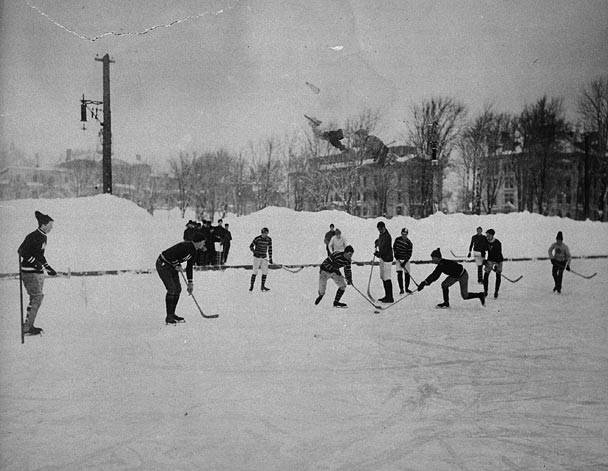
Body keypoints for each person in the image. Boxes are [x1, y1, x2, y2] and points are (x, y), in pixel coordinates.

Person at [18, 211, 57, 335]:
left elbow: (39, 255)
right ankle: (27, 328)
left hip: (36, 272)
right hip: (30, 272)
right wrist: (35, 263)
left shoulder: (43, 236)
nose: (52, 228)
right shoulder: (33, 236)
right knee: (37, 297)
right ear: (43, 225)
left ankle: (28, 325)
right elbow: (21, 251)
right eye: (50, 225)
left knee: (36, 298)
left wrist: (47, 267)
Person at [156, 230, 206, 324]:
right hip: (163, 264)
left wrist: (190, 282)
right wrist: (176, 264)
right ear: (199, 241)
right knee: (172, 289)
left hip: (171, 266)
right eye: (203, 242)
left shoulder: (194, 252)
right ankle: (169, 317)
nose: (204, 244)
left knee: (178, 289)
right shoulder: (185, 246)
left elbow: (189, 267)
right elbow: (171, 255)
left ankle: (172, 314)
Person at [417, 248, 486, 308]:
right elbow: (434, 275)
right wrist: (425, 283)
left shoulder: (442, 264)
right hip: (455, 276)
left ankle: (480, 295)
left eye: (433, 258)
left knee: (465, 296)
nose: (432, 260)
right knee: (444, 285)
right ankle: (446, 303)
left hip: (463, 275)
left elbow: (435, 275)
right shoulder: (441, 264)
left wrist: (424, 283)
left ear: (438, 258)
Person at [374, 221, 394, 303]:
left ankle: (390, 297)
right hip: (382, 258)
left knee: (387, 278)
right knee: (383, 277)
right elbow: (380, 241)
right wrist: (377, 242)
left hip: (387, 259)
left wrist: (378, 254)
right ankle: (386, 296)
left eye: (381, 229)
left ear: (384, 227)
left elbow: (385, 249)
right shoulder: (381, 234)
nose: (379, 231)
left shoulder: (388, 237)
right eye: (378, 229)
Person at [249, 227, 273, 291]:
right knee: (255, 271)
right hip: (257, 257)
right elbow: (251, 246)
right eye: (265, 233)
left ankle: (263, 286)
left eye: (267, 233)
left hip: (264, 257)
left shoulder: (269, 239)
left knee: (265, 272)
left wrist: (270, 258)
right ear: (262, 233)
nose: (266, 235)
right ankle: (251, 286)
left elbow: (270, 249)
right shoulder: (257, 239)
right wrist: (254, 252)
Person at [483, 229, 504, 299]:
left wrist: (496, 265)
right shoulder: (486, 241)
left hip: (498, 260)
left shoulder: (497, 243)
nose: (487, 237)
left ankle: (496, 292)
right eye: (487, 235)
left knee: (498, 276)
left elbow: (498, 254)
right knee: (486, 275)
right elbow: (483, 250)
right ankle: (485, 291)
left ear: (492, 235)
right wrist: (484, 260)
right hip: (490, 259)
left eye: (488, 235)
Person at [393, 227, 413, 295]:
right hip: (398, 259)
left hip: (406, 260)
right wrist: (395, 255)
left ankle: (407, 288)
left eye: (405, 234)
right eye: (403, 234)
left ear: (407, 234)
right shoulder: (397, 240)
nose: (404, 235)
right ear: (401, 233)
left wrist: (404, 262)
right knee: (399, 273)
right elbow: (394, 248)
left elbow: (409, 254)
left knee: (407, 274)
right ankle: (401, 289)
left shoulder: (409, 243)